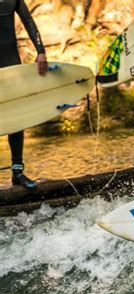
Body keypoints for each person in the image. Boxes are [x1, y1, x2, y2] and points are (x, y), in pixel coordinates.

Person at [1, 0, 48, 189]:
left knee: (17, 119)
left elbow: (29, 22)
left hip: (11, 63)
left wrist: (41, 51)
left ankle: (17, 172)